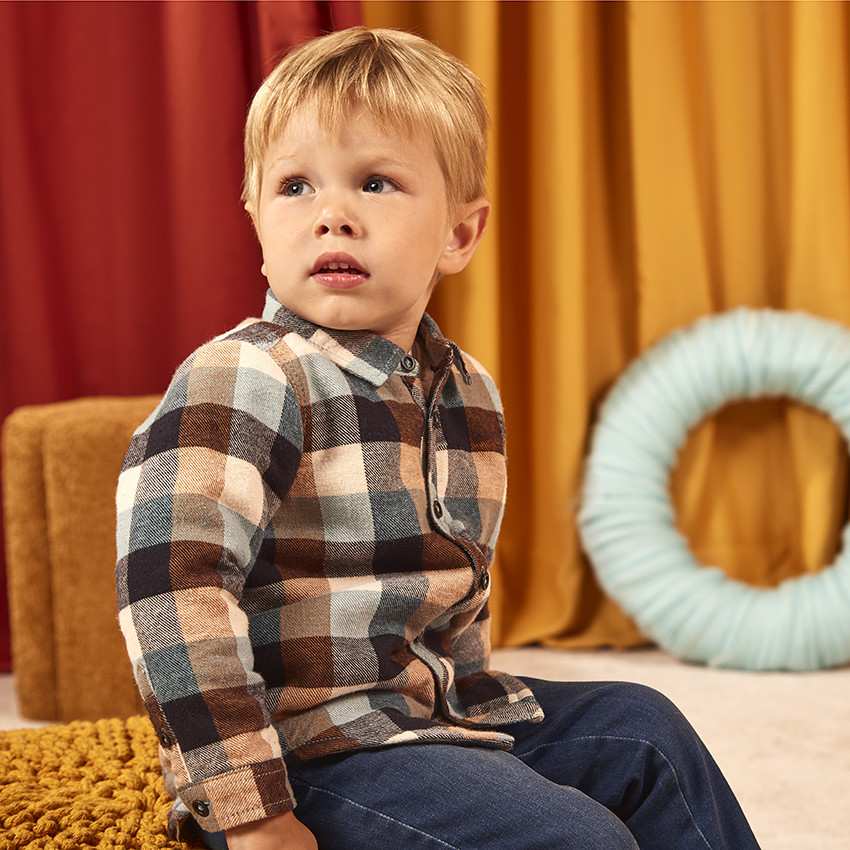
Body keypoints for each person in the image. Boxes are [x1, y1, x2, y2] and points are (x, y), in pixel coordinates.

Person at [115, 26, 761, 850]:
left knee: (645, 728)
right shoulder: (246, 377)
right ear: (255, 216)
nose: (332, 216)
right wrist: (254, 813)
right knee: (573, 836)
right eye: (295, 187)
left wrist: (484, 745)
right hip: (309, 750)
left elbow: (457, 595)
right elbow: (167, 593)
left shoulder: (469, 393)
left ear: (460, 234)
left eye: (376, 182)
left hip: (431, 713)